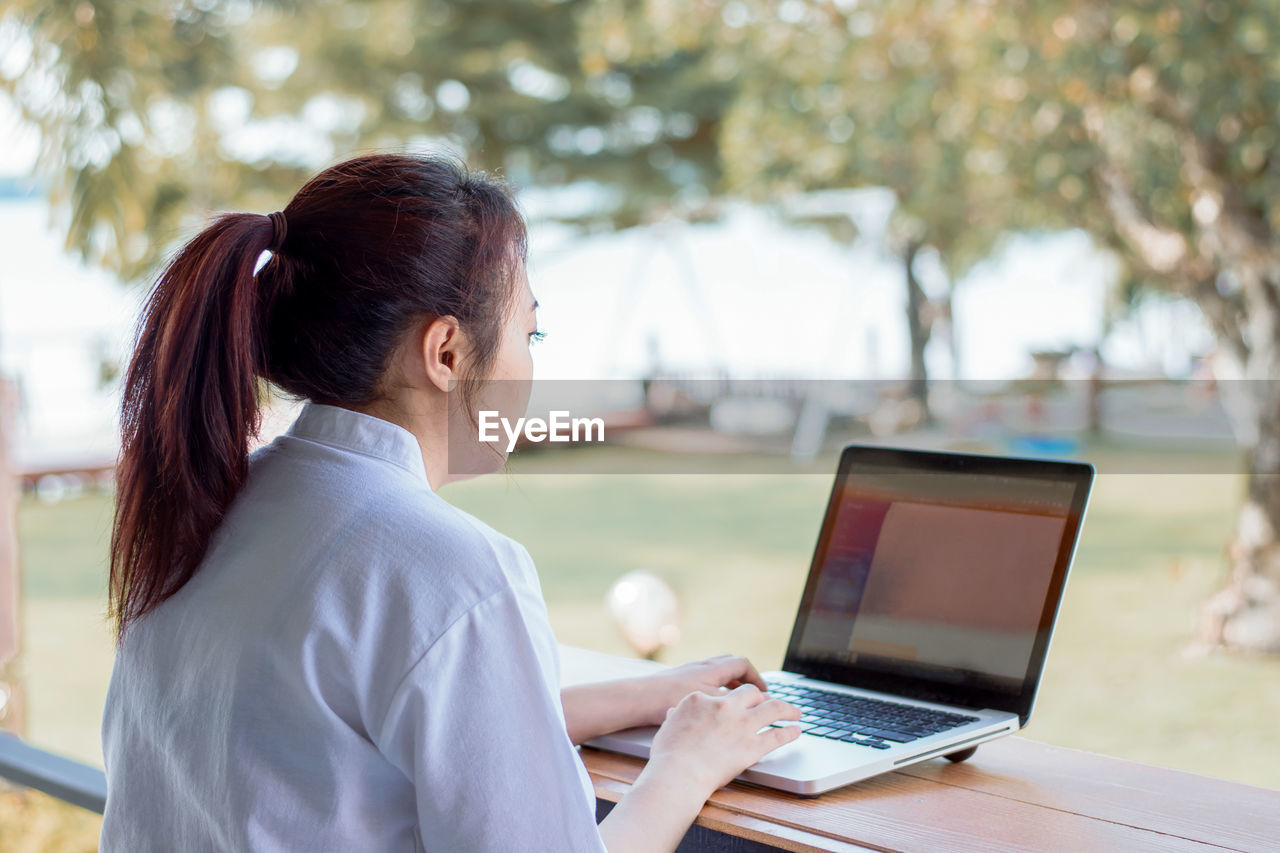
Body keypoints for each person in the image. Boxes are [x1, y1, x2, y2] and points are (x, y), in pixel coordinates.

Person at [100, 153, 802, 852]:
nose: (532, 369)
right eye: (531, 335)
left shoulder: (218, 505)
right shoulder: (446, 567)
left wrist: (652, 692)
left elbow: (369, 726)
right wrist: (685, 763)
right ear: (444, 352)